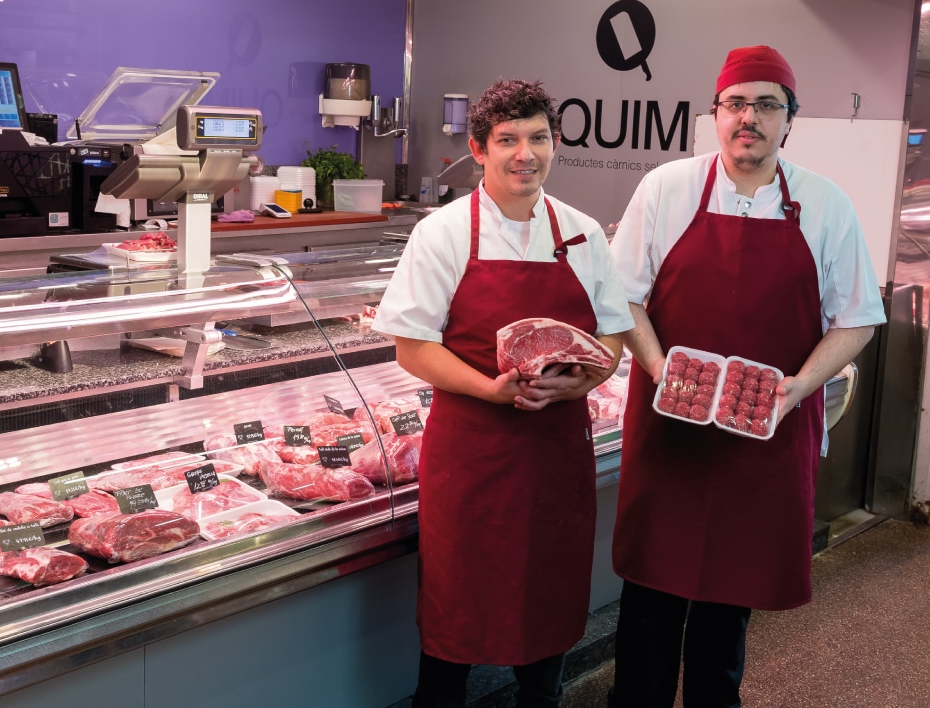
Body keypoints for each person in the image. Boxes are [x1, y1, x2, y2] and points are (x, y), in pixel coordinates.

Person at [607, 45, 887, 707]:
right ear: (715, 113)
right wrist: (661, 370)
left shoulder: (825, 204)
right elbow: (621, 297)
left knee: (728, 603)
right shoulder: (668, 188)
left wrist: (797, 388)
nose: (748, 118)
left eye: (767, 104)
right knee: (649, 599)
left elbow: (857, 320)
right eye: (735, 103)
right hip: (670, 435)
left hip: (766, 437)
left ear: (789, 118)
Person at [372, 78, 634, 707]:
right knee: (454, 617)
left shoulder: (582, 233)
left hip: (556, 454)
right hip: (472, 457)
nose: (525, 154)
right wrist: (489, 391)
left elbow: (612, 337)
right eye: (508, 140)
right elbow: (411, 347)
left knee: (548, 610)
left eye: (538, 138)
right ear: (479, 149)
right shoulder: (442, 232)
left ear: (555, 144)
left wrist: (579, 383)